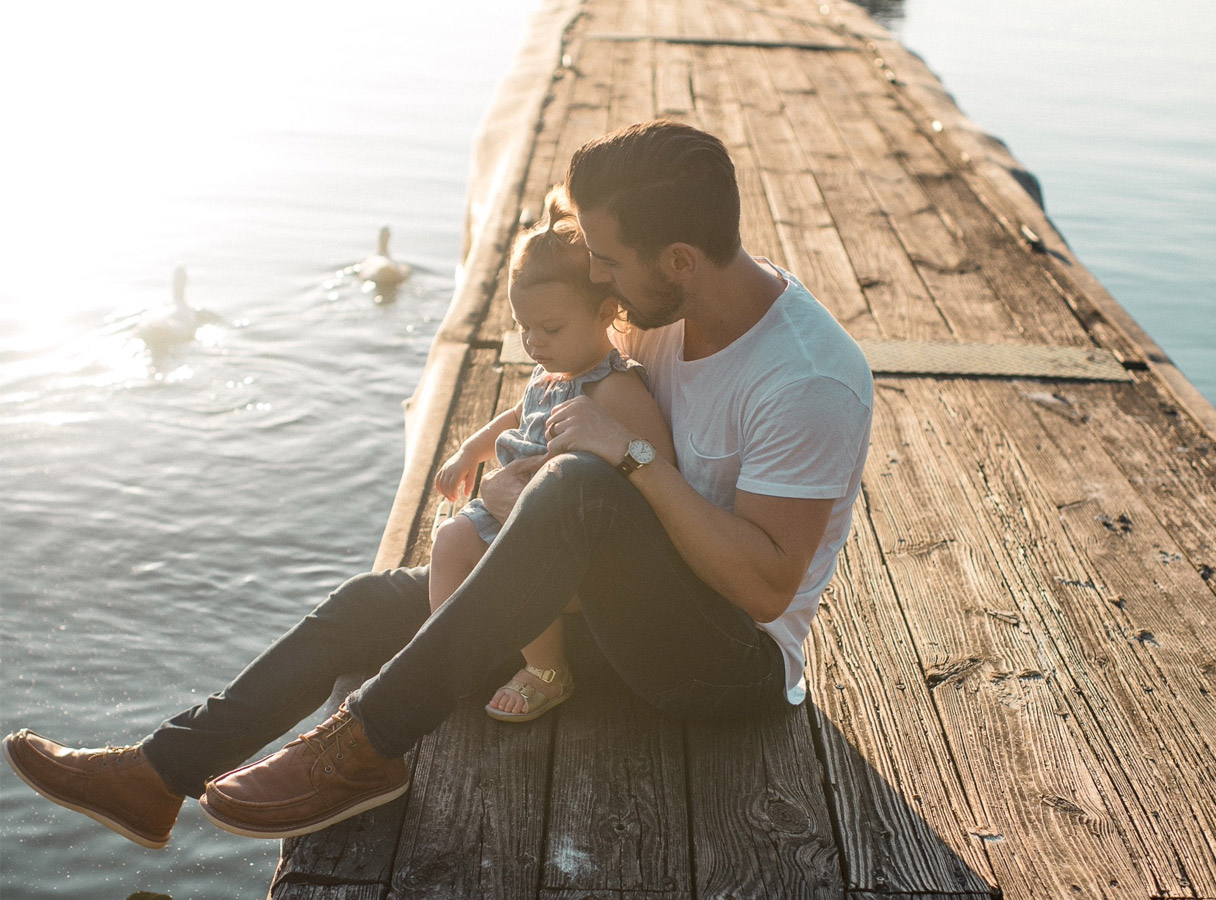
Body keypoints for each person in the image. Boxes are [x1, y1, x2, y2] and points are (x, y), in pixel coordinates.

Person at [3, 119, 873, 848]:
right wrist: (506, 460)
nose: (596, 275)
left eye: (607, 259)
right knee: (368, 604)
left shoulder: (806, 378)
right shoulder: (660, 316)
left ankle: (367, 745)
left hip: (723, 665)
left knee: (578, 489)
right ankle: (158, 775)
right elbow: (574, 405)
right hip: (611, 612)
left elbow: (764, 589)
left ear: (679, 259)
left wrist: (627, 462)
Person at [429, 186, 674, 721]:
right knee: (448, 539)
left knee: (521, 568)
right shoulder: (551, 371)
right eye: (524, 330)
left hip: (561, 532)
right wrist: (472, 450)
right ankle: (450, 654)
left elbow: (658, 463)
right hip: (510, 504)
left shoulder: (613, 387)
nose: (534, 343)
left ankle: (548, 669)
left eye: (551, 328)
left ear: (607, 310)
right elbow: (519, 415)